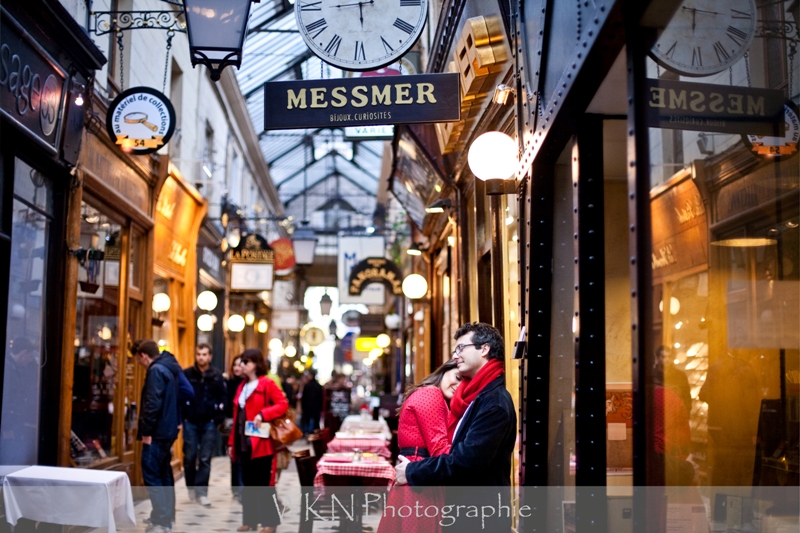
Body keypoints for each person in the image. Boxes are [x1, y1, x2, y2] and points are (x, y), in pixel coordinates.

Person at [394, 323, 516, 530]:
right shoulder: (480, 397)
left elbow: (467, 460)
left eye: (461, 348)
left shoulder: (494, 402)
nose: (455, 355)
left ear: (484, 349)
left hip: (480, 513)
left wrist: (413, 471)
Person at [377, 359, 461, 533]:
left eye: (465, 383)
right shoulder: (431, 394)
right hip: (419, 480)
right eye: (457, 377)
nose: (458, 385)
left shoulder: (428, 394)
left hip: (418, 474)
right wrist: (468, 457)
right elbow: (439, 449)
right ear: (444, 370)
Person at [132, 339, 192, 533]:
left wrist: (146, 432)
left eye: (138, 360)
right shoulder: (169, 367)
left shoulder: (156, 370)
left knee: (151, 473)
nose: (139, 364)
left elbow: (152, 403)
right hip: (168, 429)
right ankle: (166, 516)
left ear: (143, 355)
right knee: (164, 472)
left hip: (157, 431)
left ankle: (161, 520)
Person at [228, 349, 288, 533]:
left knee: (264, 484)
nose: (242, 365)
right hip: (243, 442)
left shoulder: (266, 384)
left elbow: (282, 404)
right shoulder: (242, 386)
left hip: (261, 443)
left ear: (255, 363)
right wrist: (232, 443)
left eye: (245, 362)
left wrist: (264, 413)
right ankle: (250, 521)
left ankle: (270, 523)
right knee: (248, 483)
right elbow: (237, 416)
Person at [182, 343, 226, 507]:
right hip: (190, 421)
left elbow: (223, 397)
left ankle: (201, 492)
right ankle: (191, 488)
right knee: (190, 456)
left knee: (205, 458)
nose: (201, 357)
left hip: (209, 422)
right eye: (199, 354)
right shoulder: (187, 374)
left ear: (210, 356)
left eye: (204, 354)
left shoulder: (216, 375)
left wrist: (218, 418)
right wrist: (183, 416)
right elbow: (181, 395)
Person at [224, 354, 245, 500]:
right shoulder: (227, 381)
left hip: (245, 423)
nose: (237, 368)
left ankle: (241, 488)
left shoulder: (248, 383)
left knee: (242, 457)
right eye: (235, 365)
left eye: (240, 365)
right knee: (234, 456)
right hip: (232, 421)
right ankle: (236, 489)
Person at [300, 369, 323, 435]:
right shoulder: (318, 386)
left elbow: (303, 398)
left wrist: (303, 407)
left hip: (308, 407)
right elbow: (321, 398)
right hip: (316, 407)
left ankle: (307, 434)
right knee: (316, 422)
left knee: (307, 421)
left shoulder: (307, 386)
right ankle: (316, 435)